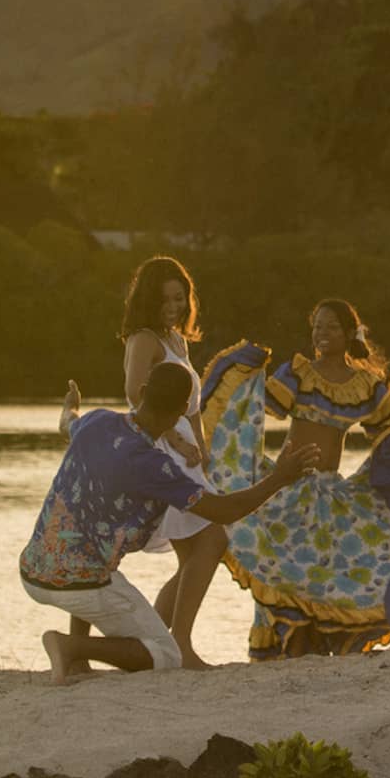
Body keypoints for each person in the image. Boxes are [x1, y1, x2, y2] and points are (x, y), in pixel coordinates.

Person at [20, 364, 319, 682]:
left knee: (85, 543)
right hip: (81, 582)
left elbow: (68, 423)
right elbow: (224, 512)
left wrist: (71, 405)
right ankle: (69, 647)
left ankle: (78, 660)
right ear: (180, 413)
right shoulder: (154, 467)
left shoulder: (98, 420)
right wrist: (279, 478)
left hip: (33, 569)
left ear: (144, 393)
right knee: (166, 654)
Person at [201, 298, 390, 657]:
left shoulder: (365, 385)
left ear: (347, 333)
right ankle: (289, 644)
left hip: (330, 491)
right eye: (317, 327)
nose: (322, 334)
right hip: (288, 488)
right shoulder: (299, 372)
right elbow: (260, 409)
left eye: (330, 327)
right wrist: (243, 381)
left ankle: (318, 642)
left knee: (327, 573)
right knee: (287, 571)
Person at [121, 255, 227, 668]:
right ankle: (178, 643)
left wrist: (201, 451)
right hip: (161, 451)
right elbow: (135, 396)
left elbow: (194, 407)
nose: (174, 306)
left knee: (196, 553)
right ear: (149, 300)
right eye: (165, 299)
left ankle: (151, 645)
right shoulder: (144, 339)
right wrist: (173, 442)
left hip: (188, 456)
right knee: (212, 540)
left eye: (179, 298)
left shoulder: (178, 340)